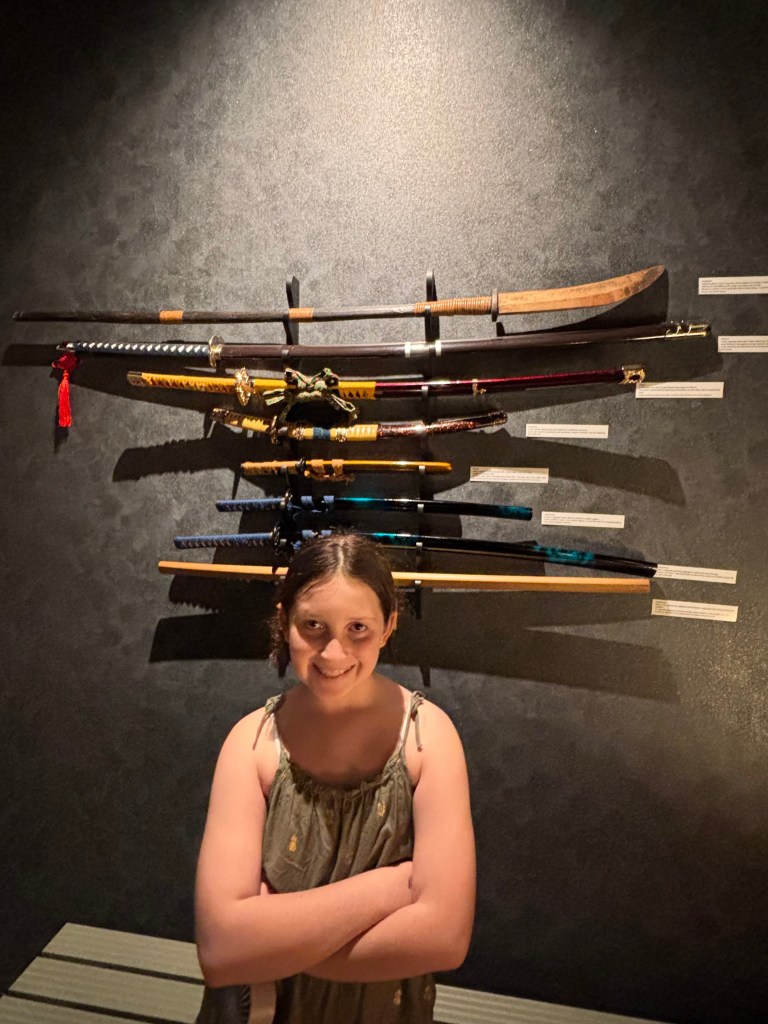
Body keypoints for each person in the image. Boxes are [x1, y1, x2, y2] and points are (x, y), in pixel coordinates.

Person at [194, 531, 476, 1023]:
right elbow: (220, 950)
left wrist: (269, 938)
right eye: (314, 626)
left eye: (358, 628)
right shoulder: (252, 742)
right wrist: (392, 888)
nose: (333, 653)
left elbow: (444, 939)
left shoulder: (429, 738)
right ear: (285, 621)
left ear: (388, 626)